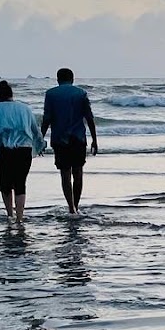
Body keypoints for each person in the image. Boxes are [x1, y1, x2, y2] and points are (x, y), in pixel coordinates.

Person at [0, 79, 46, 224]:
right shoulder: (24, 108)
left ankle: (10, 214)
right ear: (11, 94)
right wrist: (40, 145)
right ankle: (20, 217)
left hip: (4, 150)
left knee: (5, 183)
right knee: (20, 183)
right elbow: (35, 130)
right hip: (24, 150)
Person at [41, 66, 98, 217]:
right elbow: (89, 118)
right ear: (72, 79)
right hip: (78, 138)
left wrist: (40, 139)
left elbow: (47, 119)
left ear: (58, 79)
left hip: (60, 139)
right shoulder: (81, 93)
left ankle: (71, 207)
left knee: (65, 174)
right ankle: (77, 206)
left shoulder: (51, 94)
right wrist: (94, 140)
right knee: (78, 173)